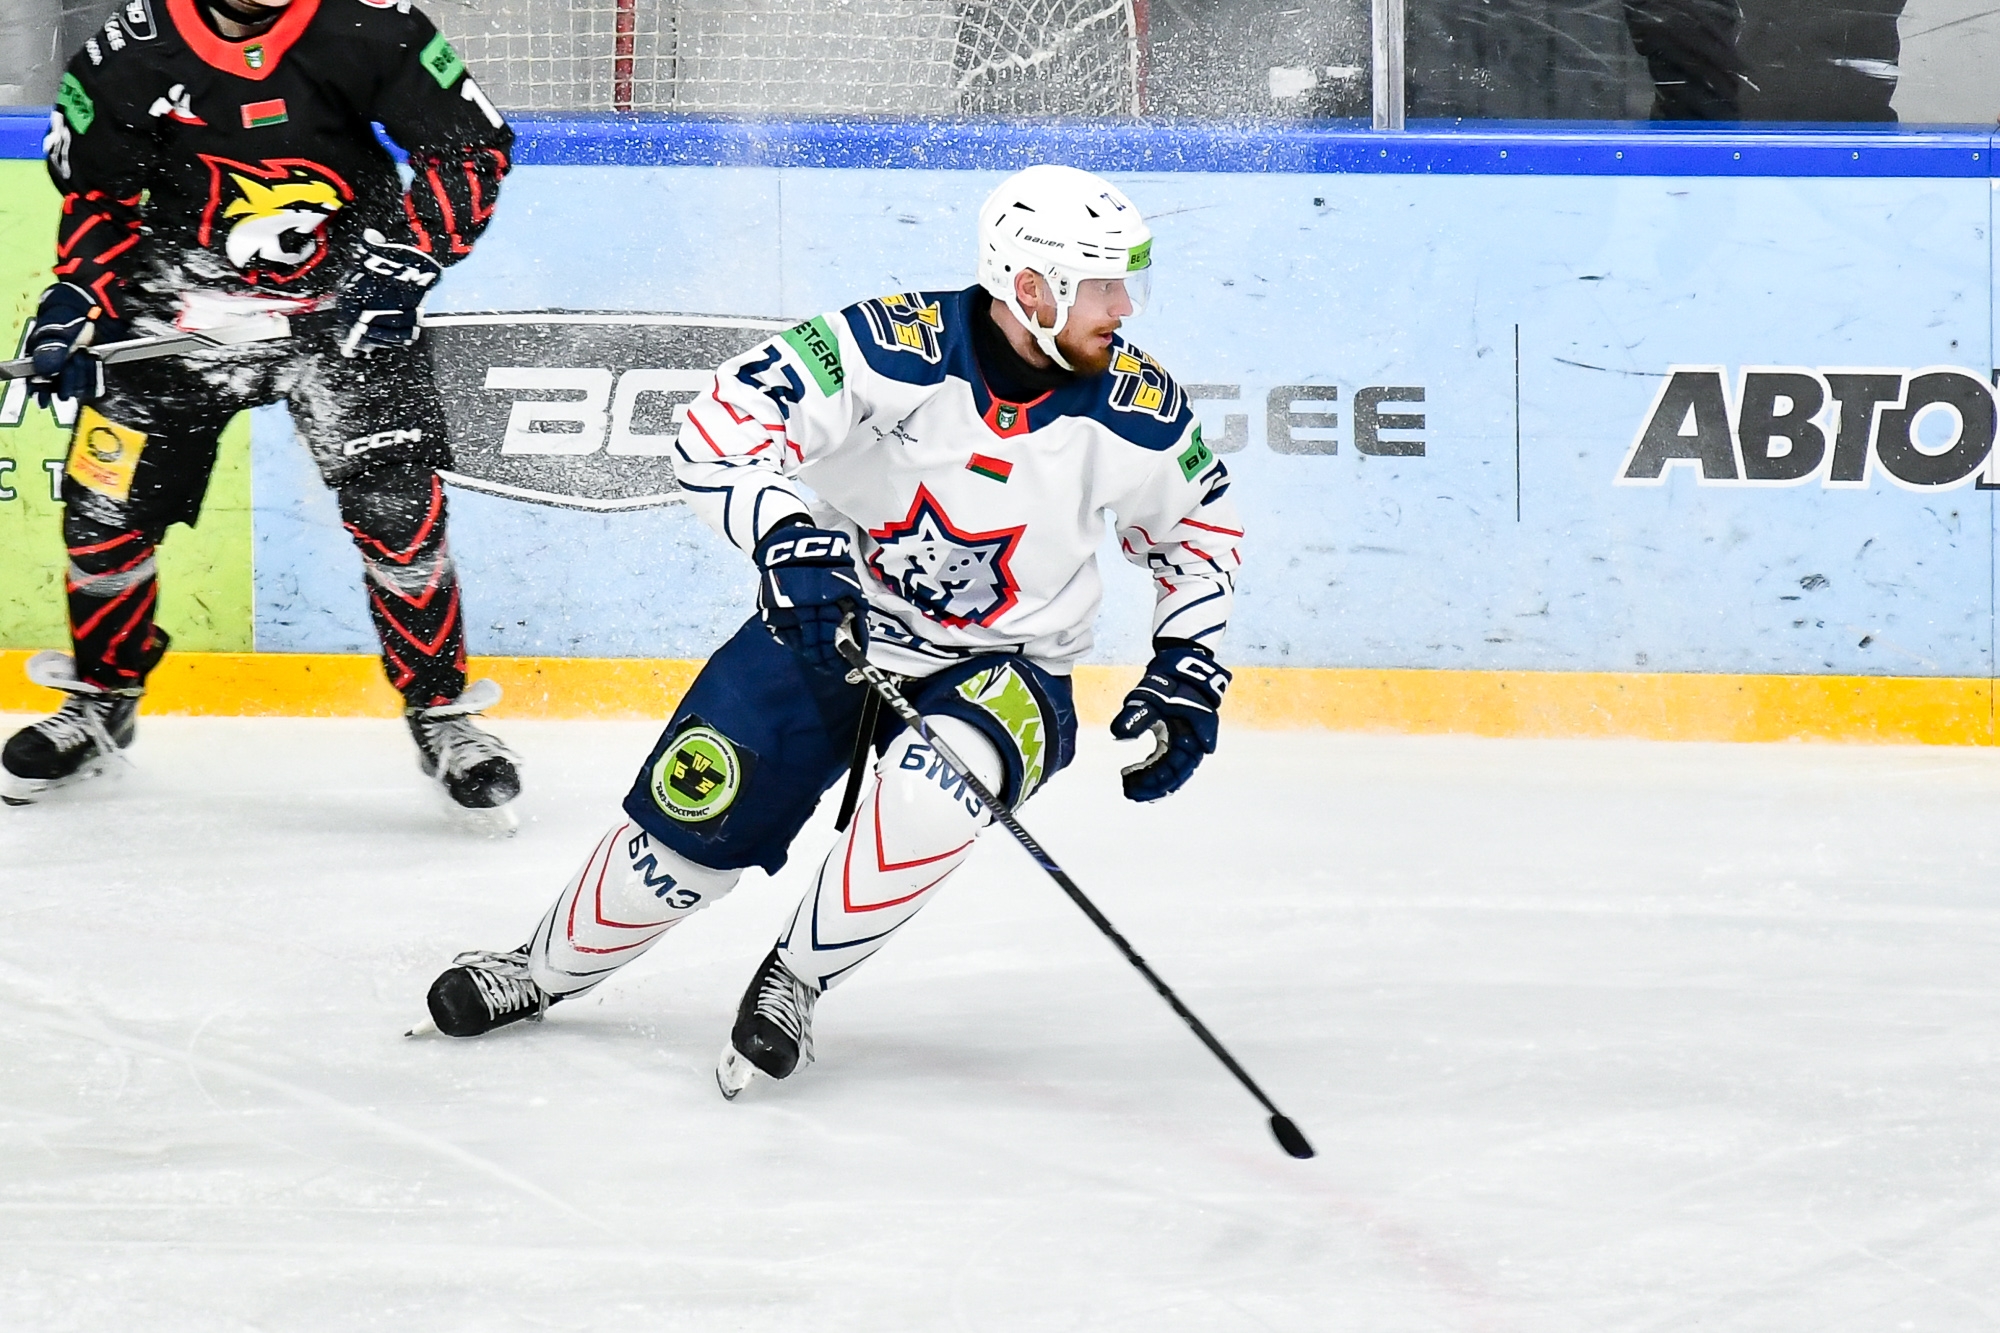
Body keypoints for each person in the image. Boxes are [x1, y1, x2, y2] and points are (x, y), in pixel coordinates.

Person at [420, 164, 1245, 1099]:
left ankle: (795, 982)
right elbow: (719, 425)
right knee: (691, 821)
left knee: (937, 791)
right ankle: (541, 969)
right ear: (1031, 285)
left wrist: (1189, 662)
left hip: (1010, 663)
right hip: (831, 622)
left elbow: (1200, 536)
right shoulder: (892, 345)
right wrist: (783, 532)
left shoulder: (1141, 410)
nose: (1125, 306)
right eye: (1102, 284)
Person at [2, 0, 520, 819]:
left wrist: (406, 261)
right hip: (175, 306)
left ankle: (442, 713)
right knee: (104, 513)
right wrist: (77, 297)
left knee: (398, 513)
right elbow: (101, 199)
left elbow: (469, 149)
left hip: (346, 309)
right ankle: (101, 697)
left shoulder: (368, 25)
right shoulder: (127, 53)